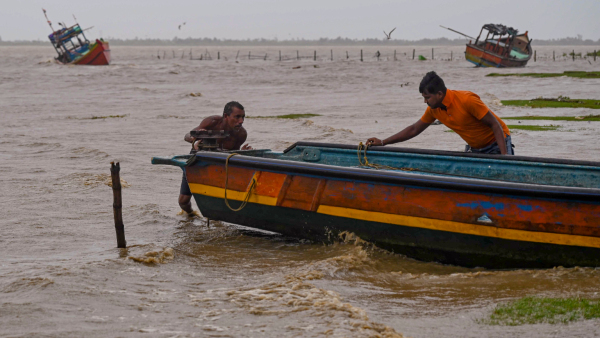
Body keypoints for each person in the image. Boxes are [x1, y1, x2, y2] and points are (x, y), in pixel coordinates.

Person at [367, 71, 514, 155]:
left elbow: (495, 125)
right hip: (475, 148)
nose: (425, 102)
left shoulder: (466, 100)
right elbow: (413, 130)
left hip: (496, 143)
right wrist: (383, 142)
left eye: (427, 98)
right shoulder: (434, 110)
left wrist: (504, 158)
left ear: (439, 94)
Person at [178, 101, 252, 215]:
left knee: (217, 198)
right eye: (237, 117)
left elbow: (232, 156)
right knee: (183, 201)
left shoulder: (241, 134)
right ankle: (191, 215)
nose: (241, 121)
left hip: (219, 165)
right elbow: (187, 136)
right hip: (197, 160)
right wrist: (196, 137)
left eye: (243, 117)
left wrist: (241, 153)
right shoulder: (212, 122)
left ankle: (218, 219)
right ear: (226, 116)